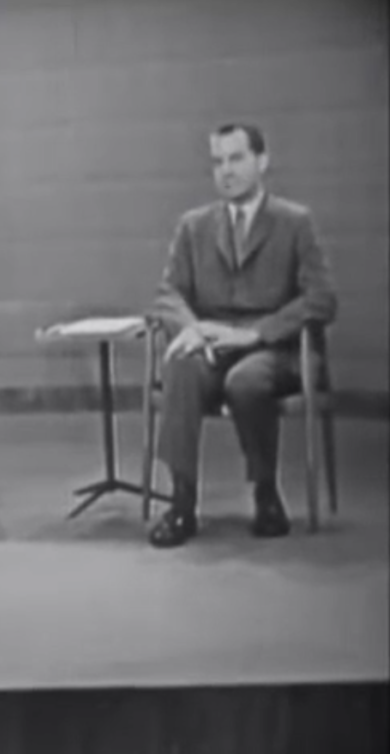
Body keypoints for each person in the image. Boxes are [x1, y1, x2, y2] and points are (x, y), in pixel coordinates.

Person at [148, 123, 337, 548]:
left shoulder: (294, 222)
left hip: (275, 348)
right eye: (218, 161)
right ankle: (181, 503)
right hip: (212, 345)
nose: (226, 171)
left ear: (262, 161)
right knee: (179, 363)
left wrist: (253, 335)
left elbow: (322, 299)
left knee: (246, 380)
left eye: (236, 159)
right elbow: (168, 293)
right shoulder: (193, 226)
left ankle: (266, 493)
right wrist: (194, 329)